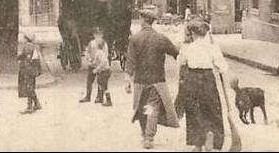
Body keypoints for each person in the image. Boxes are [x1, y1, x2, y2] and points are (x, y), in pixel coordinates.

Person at [126, 8, 180, 150]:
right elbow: (176, 53)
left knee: (142, 107)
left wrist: (127, 79)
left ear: (143, 20)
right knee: (152, 107)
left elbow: (130, 61)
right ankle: (149, 138)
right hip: (157, 81)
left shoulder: (134, 39)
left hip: (140, 81)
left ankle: (145, 134)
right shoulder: (161, 38)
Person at [176, 19, 229, 151]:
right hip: (208, 79)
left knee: (194, 111)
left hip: (192, 79)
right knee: (212, 108)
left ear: (193, 33)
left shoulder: (187, 47)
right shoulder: (213, 47)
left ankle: (198, 144)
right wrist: (221, 70)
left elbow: (180, 63)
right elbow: (223, 67)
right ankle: (211, 134)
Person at [17, 33, 43, 113]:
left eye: (24, 38)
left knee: (28, 88)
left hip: (28, 70)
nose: (22, 40)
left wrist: (18, 57)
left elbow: (24, 56)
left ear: (26, 39)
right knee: (30, 87)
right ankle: (36, 104)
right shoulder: (34, 46)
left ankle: (29, 107)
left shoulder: (28, 46)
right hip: (32, 70)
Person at [80, 28, 105, 103]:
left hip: (100, 65)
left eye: (99, 34)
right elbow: (87, 52)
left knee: (100, 81)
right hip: (92, 64)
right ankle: (88, 96)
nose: (98, 36)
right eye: (96, 34)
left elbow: (105, 54)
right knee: (89, 81)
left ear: (102, 35)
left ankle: (99, 97)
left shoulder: (104, 43)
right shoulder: (91, 43)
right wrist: (89, 59)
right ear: (94, 35)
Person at [92, 35, 113, 106]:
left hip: (104, 71)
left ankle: (108, 101)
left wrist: (96, 69)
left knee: (104, 86)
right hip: (106, 70)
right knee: (101, 84)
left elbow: (103, 62)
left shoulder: (99, 53)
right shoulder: (102, 53)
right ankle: (101, 98)